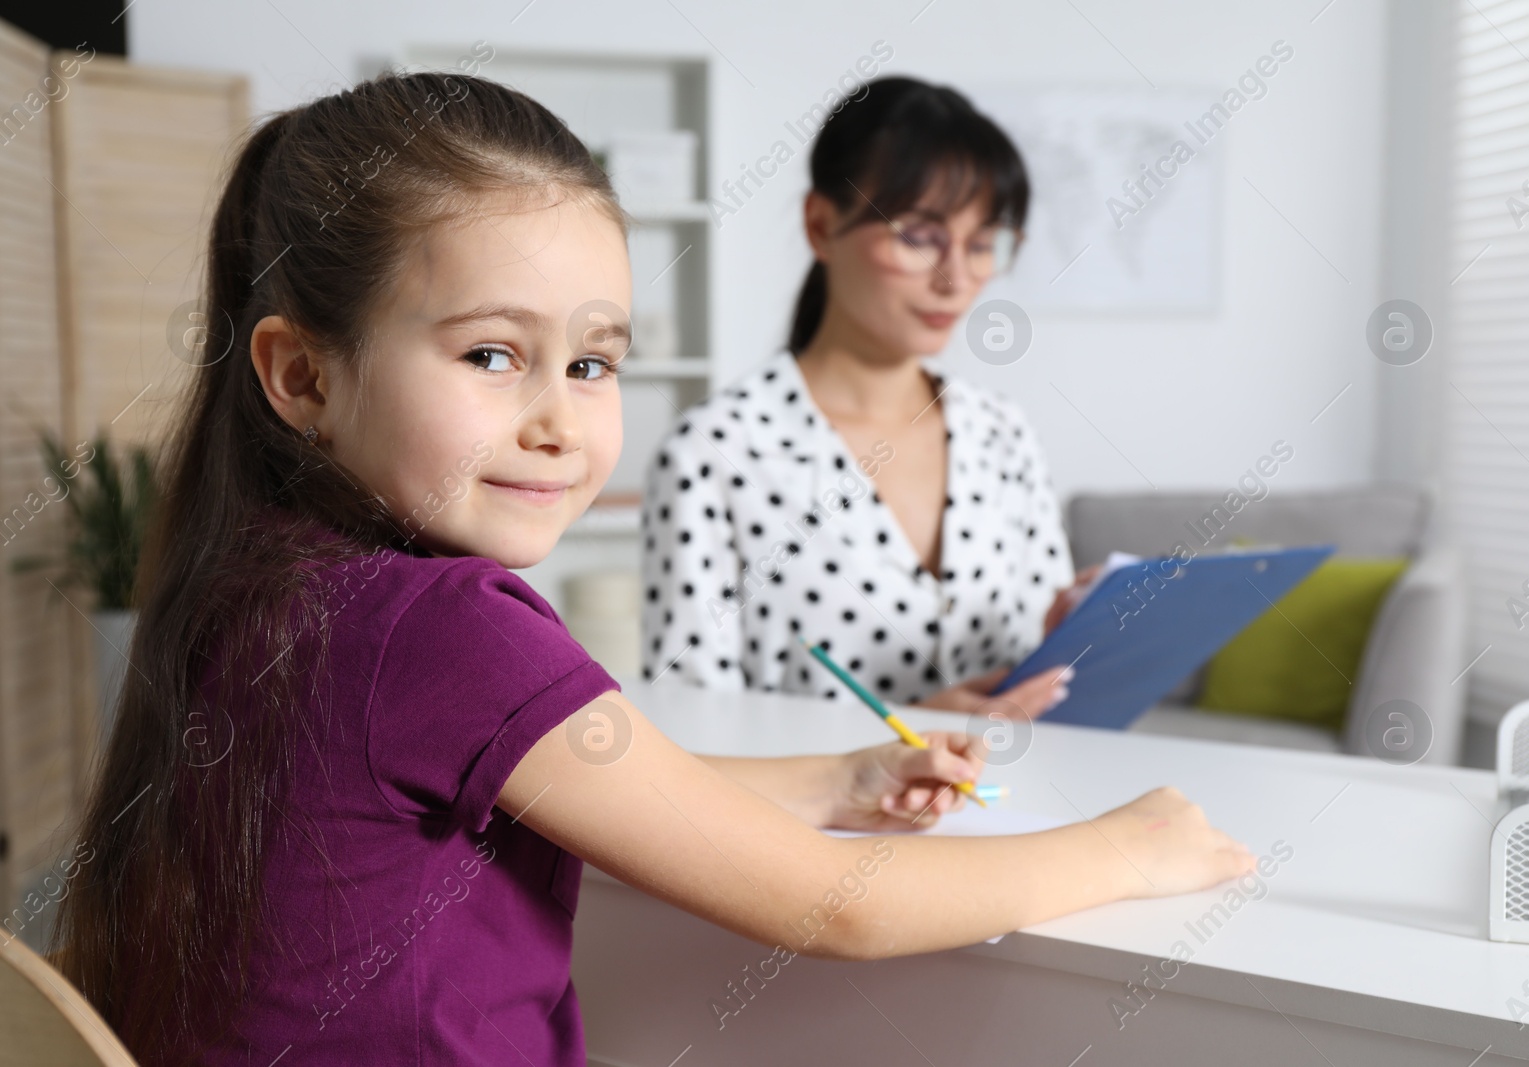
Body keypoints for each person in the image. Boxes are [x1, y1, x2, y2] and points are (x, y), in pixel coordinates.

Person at [53, 72, 1253, 1067]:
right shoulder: (444, 623)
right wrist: (1130, 847)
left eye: (592, 363)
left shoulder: (260, 585)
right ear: (303, 376)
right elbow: (839, 906)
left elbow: (610, 774)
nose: (557, 421)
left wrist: (839, 774)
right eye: (491, 353)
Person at [642, 76, 1094, 719]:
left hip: (1019, 807)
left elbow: (1041, 678)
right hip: (818, 822)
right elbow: (690, 737)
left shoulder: (1002, 432)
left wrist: (1074, 636)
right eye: (918, 236)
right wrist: (899, 736)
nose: (957, 278)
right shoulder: (715, 454)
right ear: (822, 226)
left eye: (982, 242)